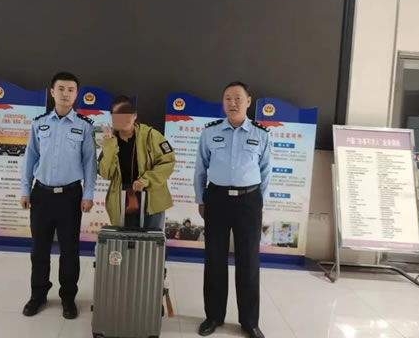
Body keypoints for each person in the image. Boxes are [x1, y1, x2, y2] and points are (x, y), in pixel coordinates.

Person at [194, 81, 271, 338]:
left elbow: (266, 172)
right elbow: (200, 169)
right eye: (228, 98)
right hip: (216, 199)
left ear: (248, 101)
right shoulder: (210, 132)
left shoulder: (261, 134)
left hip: (249, 201)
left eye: (238, 98)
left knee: (248, 261)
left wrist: (259, 202)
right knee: (214, 259)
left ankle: (249, 322)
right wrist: (201, 199)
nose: (233, 103)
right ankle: (213, 316)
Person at [20, 72, 97, 319]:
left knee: (70, 250)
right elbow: (30, 157)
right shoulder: (39, 123)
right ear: (52, 92)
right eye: (61, 89)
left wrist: (88, 194)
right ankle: (38, 295)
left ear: (77, 94)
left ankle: (68, 297)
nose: (65, 94)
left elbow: (90, 163)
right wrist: (25, 189)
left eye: (71, 89)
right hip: (41, 194)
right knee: (39, 249)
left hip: (70, 196)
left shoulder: (84, 126)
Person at [98, 95, 175, 228]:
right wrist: (109, 144)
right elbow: (106, 174)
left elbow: (168, 162)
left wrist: (145, 180)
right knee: (124, 239)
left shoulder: (151, 135)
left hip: (151, 198)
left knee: (151, 239)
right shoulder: (110, 139)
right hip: (121, 199)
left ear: (135, 115)